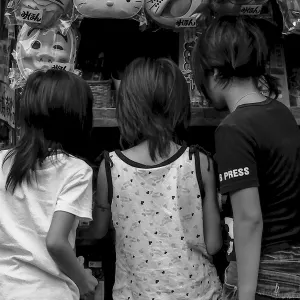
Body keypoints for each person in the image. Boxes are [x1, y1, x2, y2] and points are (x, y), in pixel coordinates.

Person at [89, 57, 222, 300]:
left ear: (127, 104)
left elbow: (98, 232)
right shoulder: (199, 162)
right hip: (198, 292)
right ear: (179, 103)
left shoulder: (110, 167)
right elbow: (213, 244)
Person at [192, 15, 300, 300]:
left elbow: (249, 218)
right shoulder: (281, 113)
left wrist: (246, 294)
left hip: (267, 275)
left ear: (213, 74)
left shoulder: (233, 129)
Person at [0, 69, 98, 300]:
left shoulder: (2, 161)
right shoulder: (76, 171)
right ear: (78, 118)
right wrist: (83, 280)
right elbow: (55, 242)